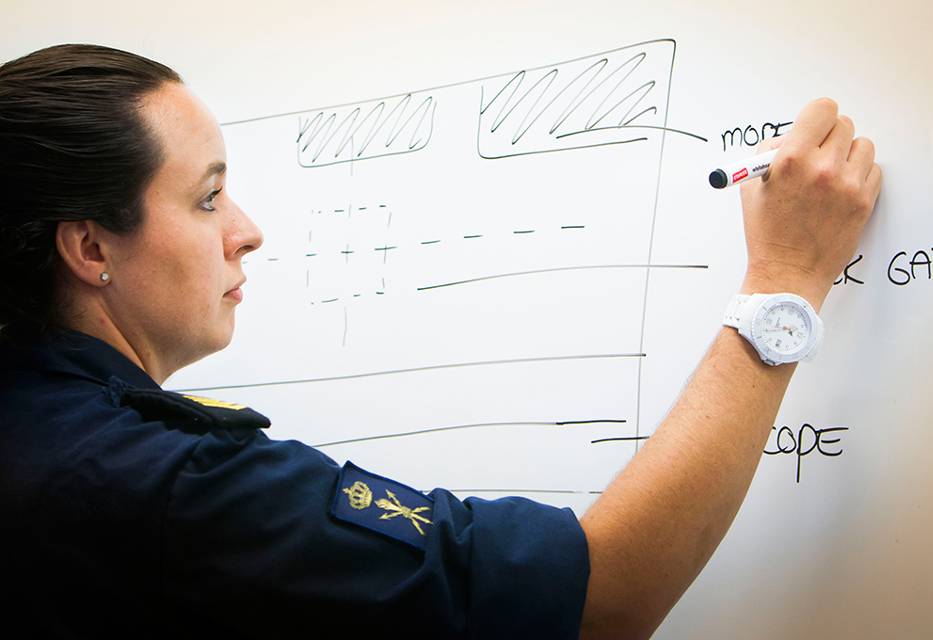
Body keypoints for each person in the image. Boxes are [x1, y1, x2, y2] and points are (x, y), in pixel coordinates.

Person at [0, 44, 881, 639]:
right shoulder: (173, 487)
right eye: (206, 198)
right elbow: (602, 598)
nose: (247, 231)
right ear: (90, 249)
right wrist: (784, 282)